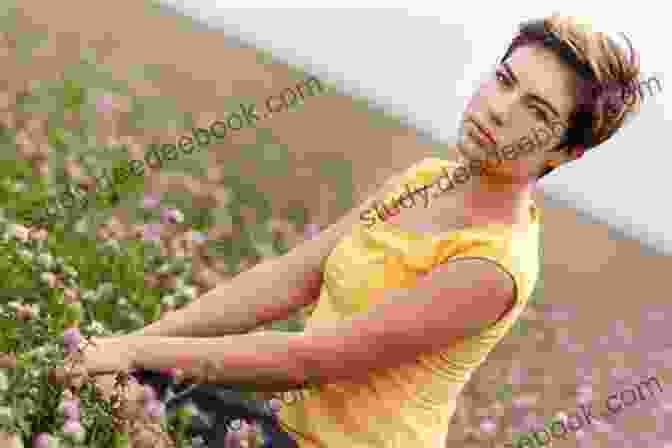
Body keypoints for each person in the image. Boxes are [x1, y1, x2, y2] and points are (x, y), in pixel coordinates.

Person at [68, 13, 642, 448]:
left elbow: (309, 360)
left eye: (536, 113)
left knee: (117, 390)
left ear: (566, 152)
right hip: (284, 428)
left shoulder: (494, 265)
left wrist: (134, 351)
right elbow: (294, 277)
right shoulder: (427, 179)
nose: (497, 111)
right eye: (503, 81)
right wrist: (130, 346)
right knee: (106, 380)